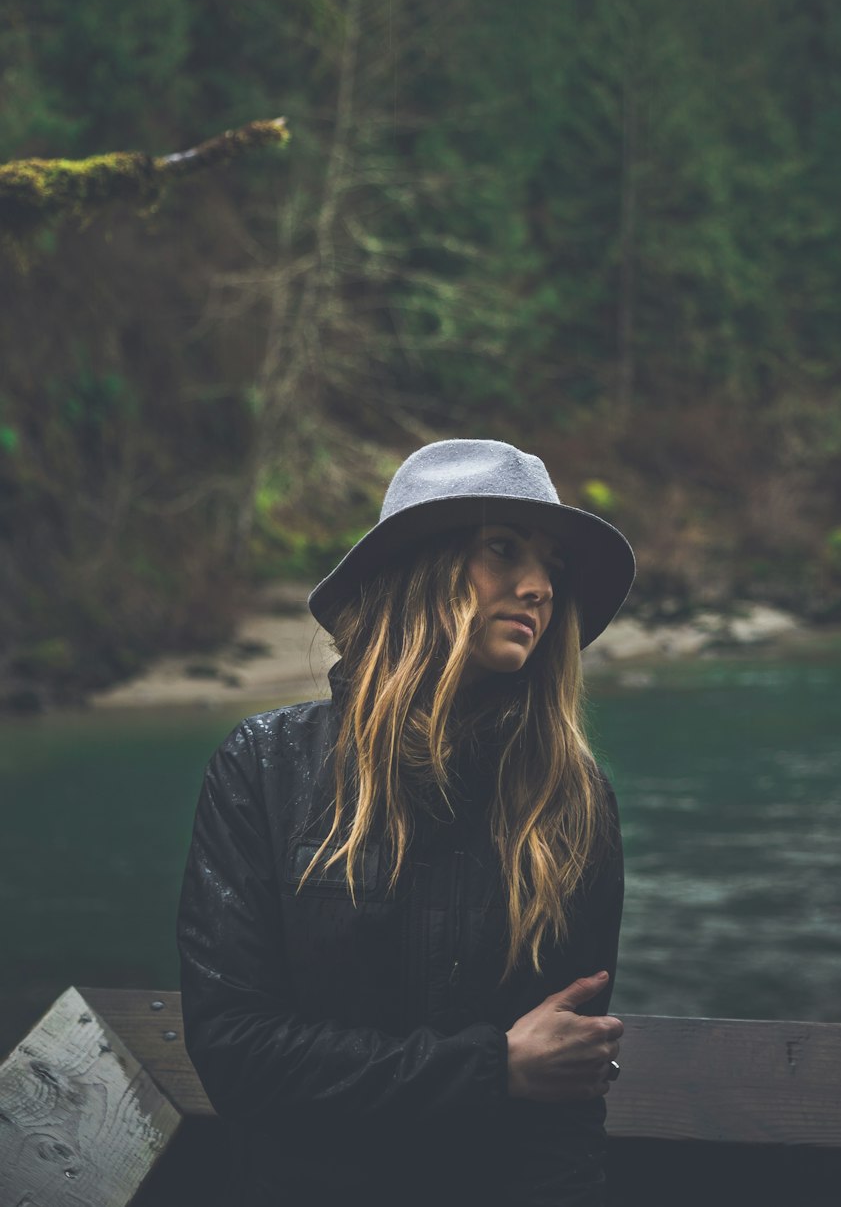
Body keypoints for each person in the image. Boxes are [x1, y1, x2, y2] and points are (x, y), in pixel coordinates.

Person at [177, 438, 636, 1206]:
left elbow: (567, 1089)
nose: (539, 587)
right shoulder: (262, 766)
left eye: (551, 565)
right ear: (421, 567)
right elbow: (236, 1052)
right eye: (503, 548)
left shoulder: (572, 800)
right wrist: (494, 1069)